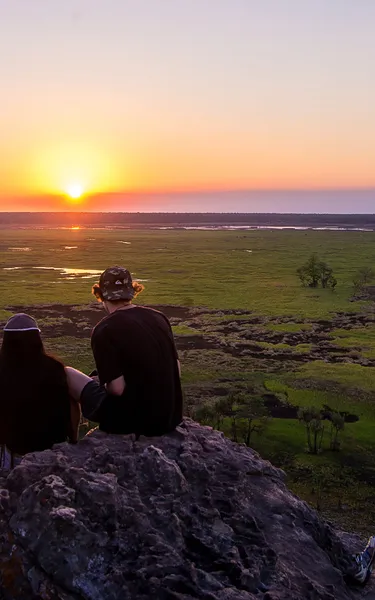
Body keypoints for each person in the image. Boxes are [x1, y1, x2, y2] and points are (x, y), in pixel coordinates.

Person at [66, 266, 183, 437]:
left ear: (100, 294)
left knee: (67, 374)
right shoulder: (159, 318)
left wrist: (103, 383)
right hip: (170, 418)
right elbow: (176, 370)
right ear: (132, 291)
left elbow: (117, 389)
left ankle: (70, 442)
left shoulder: (104, 329)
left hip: (131, 422)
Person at [0, 313, 80, 469]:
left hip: (11, 452)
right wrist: (73, 439)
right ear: (37, 339)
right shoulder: (55, 369)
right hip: (53, 451)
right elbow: (73, 407)